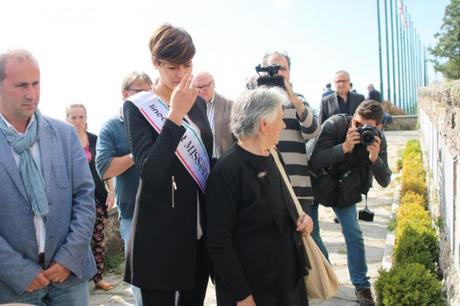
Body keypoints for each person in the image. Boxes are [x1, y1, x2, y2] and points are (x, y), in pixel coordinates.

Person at [123, 24, 213, 306]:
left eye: (187, 65)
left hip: (196, 232)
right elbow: (150, 171)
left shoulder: (196, 102)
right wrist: (174, 115)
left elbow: (206, 162)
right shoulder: (138, 107)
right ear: (155, 63)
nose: (182, 74)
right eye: (173, 67)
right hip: (159, 235)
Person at [0, 49, 96, 305]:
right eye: (21, 85)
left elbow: (85, 197)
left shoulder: (64, 135)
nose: (31, 94)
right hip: (11, 284)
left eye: (35, 84)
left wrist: (68, 257)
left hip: (69, 276)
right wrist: (18, 271)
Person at [206, 87, 313, 306]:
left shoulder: (274, 156)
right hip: (253, 291)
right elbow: (218, 241)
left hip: (288, 283)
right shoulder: (227, 170)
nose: (283, 126)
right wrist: (242, 296)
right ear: (264, 125)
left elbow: (285, 205)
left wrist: (302, 220)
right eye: (281, 119)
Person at [309, 100, 392, 306]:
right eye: (357, 124)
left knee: (354, 234)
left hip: (345, 191)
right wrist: (344, 147)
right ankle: (327, 272)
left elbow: (385, 180)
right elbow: (315, 160)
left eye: (368, 127)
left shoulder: (378, 140)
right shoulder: (335, 125)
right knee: (311, 233)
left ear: (379, 127)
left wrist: (374, 157)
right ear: (352, 116)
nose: (360, 130)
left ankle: (362, 286)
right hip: (315, 183)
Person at [96, 71, 152, 305]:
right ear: (125, 94)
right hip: (133, 215)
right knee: (141, 276)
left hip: (167, 211)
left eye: (150, 92)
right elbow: (105, 169)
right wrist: (137, 154)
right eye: (141, 92)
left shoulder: (158, 121)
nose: (147, 97)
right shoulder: (111, 126)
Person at [261, 51, 325, 256]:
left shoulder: (300, 101)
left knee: (311, 242)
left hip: (297, 186)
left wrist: (292, 97)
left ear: (290, 72)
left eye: (282, 68)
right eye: (273, 68)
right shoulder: (257, 102)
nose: (278, 73)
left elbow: (313, 130)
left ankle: (323, 286)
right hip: (267, 185)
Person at [65, 104, 115, 291]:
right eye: (73, 117)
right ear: (67, 119)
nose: (78, 121)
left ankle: (98, 278)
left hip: (97, 197)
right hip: (72, 200)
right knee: (76, 239)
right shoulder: (63, 141)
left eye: (81, 117)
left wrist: (111, 192)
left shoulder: (95, 140)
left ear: (86, 118)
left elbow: (106, 168)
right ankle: (76, 279)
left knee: (97, 239)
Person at [193, 71, 234, 160]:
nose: (201, 91)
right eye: (198, 87)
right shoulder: (190, 106)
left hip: (223, 162)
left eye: (205, 87)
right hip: (199, 165)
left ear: (213, 84)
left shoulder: (230, 105)